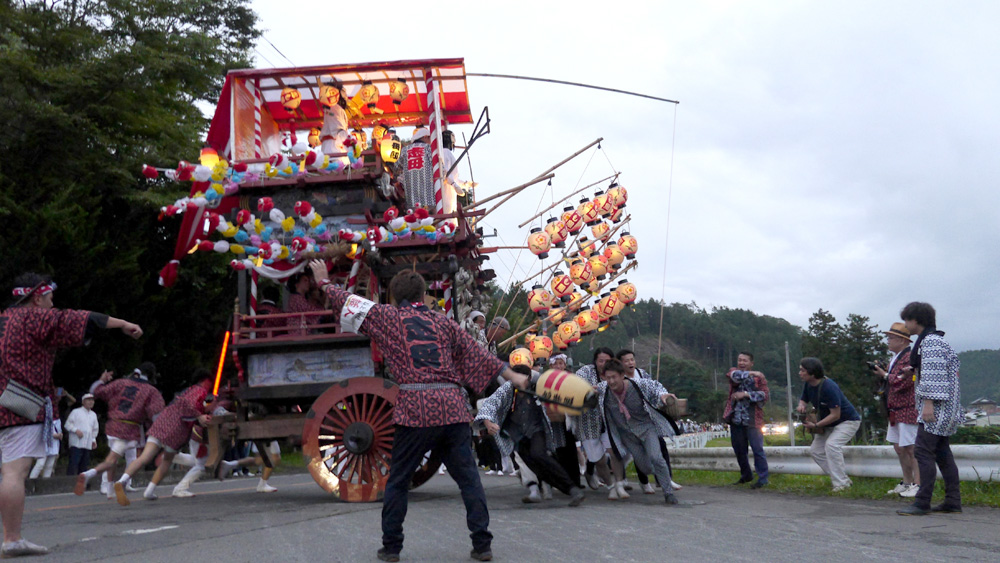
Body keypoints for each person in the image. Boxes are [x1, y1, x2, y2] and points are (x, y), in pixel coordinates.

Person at [308, 260, 529, 562]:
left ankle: (392, 547)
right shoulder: (444, 322)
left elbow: (346, 302)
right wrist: (511, 375)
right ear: (423, 294)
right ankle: (482, 544)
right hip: (452, 407)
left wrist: (323, 282)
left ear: (395, 295)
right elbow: (477, 354)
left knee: (398, 479)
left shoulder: (386, 316)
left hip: (416, 408)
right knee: (468, 479)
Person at [0, 272, 142, 558]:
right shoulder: (35, 318)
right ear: (37, 298)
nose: (53, 305)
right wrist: (124, 324)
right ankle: (12, 538)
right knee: (13, 472)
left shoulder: (2, 319)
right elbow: (84, 319)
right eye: (51, 299)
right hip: (19, 404)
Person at [475, 365, 585, 507]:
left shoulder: (539, 386)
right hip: (516, 434)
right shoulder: (507, 389)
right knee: (534, 465)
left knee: (538, 454)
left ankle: (572, 489)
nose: (517, 381)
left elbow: (561, 394)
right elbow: (490, 404)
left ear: (528, 378)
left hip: (537, 430)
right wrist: (488, 423)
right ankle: (568, 490)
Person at [896, 302, 963, 516]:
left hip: (936, 409)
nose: (906, 324)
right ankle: (953, 500)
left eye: (907, 320)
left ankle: (922, 502)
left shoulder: (931, 342)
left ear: (916, 320)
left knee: (922, 452)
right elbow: (931, 368)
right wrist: (912, 369)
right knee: (943, 454)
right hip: (946, 408)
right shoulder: (934, 340)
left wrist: (927, 404)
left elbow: (933, 375)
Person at [112, 370, 215, 506]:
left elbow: (185, 403)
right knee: (167, 461)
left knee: (144, 457)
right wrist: (199, 416)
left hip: (163, 421)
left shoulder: (187, 390)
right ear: (205, 380)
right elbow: (189, 404)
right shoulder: (199, 391)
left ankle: (122, 481)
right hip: (176, 429)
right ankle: (149, 490)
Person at [597, 359, 681, 505]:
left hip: (646, 428)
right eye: (608, 377)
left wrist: (664, 396)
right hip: (627, 434)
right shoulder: (603, 389)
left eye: (614, 377)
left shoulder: (638, 385)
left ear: (622, 375)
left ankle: (668, 493)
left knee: (656, 457)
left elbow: (656, 388)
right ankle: (661, 474)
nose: (611, 381)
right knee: (645, 467)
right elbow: (589, 391)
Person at [74, 363, 165, 497]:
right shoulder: (150, 390)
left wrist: (102, 380)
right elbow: (156, 414)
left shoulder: (120, 383)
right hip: (128, 429)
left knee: (114, 458)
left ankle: (110, 489)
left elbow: (96, 391)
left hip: (112, 425)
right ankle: (90, 475)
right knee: (119, 459)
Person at [616, 349, 682, 493]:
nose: (630, 363)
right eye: (626, 360)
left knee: (661, 446)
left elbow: (655, 386)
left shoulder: (642, 374)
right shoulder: (619, 380)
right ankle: (644, 482)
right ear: (620, 363)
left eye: (632, 359)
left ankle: (666, 479)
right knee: (639, 452)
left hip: (648, 418)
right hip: (629, 422)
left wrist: (663, 395)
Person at [796, 357, 861, 492]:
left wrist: (816, 425)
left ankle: (841, 484)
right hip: (827, 423)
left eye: (802, 370)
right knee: (816, 451)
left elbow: (835, 414)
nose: (800, 373)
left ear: (812, 373)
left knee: (832, 445)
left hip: (847, 421)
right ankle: (842, 479)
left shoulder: (829, 387)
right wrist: (801, 406)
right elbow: (803, 400)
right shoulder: (808, 384)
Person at [871, 322, 919, 497]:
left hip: (907, 408)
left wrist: (884, 375)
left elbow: (904, 381)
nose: (888, 341)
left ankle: (917, 484)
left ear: (901, 340)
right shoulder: (896, 358)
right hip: (895, 409)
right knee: (899, 448)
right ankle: (907, 482)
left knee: (911, 448)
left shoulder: (909, 357)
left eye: (891, 338)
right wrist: (885, 373)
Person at [571, 347, 626, 499]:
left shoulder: (615, 374)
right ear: (595, 361)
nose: (603, 364)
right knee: (598, 460)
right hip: (588, 422)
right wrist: (587, 390)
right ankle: (610, 485)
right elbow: (575, 385)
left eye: (607, 361)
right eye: (600, 361)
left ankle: (619, 484)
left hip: (609, 421)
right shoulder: (586, 372)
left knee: (614, 452)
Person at [722, 352, 770, 489]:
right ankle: (746, 474)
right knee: (738, 449)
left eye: (745, 361)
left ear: (751, 363)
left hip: (753, 418)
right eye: (740, 360)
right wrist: (752, 373)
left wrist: (746, 394)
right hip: (736, 418)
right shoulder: (734, 372)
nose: (742, 363)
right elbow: (733, 376)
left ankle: (762, 477)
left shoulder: (759, 379)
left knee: (757, 449)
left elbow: (764, 395)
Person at [64, 393, 99, 475]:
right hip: (76, 443)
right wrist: (76, 430)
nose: (91, 402)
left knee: (84, 465)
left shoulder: (93, 415)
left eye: (92, 400)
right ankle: (69, 482)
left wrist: (93, 440)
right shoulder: (76, 412)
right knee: (74, 463)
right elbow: (67, 424)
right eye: (88, 400)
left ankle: (82, 483)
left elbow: (94, 429)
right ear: (83, 402)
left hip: (87, 443)